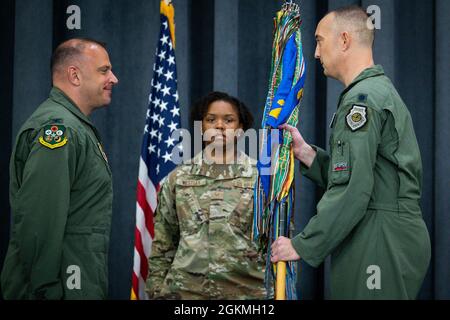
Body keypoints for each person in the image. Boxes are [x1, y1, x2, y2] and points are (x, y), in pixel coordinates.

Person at [270, 6, 431, 299]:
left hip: (379, 239)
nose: (316, 54)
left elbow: (354, 190)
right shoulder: (373, 92)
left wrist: (302, 244)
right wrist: (307, 154)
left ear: (344, 40)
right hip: (383, 233)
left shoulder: (363, 100)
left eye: (319, 41)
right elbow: (365, 173)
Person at [1, 38, 119, 299]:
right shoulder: (59, 129)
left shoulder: (75, 128)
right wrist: (48, 291)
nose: (114, 78)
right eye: (104, 70)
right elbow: (39, 221)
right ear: (74, 75)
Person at [146, 92, 267, 299]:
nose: (219, 126)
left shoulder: (262, 179)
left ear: (240, 130)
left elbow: (277, 243)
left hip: (247, 294)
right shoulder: (178, 178)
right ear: (200, 127)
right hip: (186, 293)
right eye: (211, 120)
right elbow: (164, 243)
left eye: (229, 120)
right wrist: (156, 291)